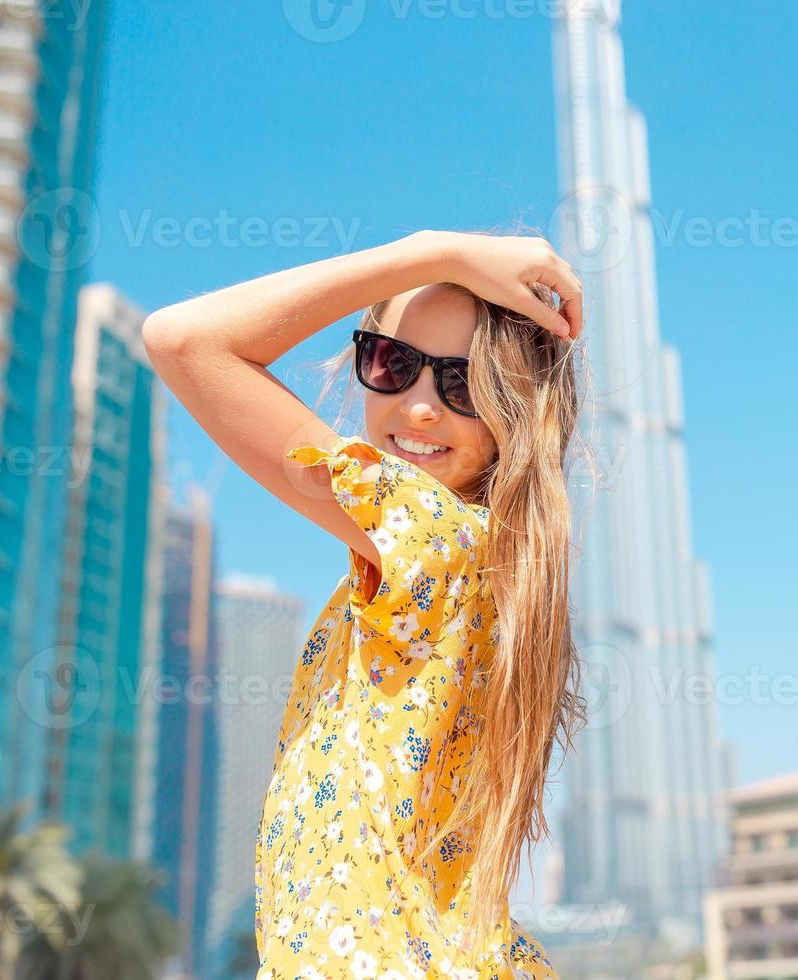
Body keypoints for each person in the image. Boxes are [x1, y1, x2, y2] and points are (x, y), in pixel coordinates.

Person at [143, 230, 588, 978]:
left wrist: (432, 249)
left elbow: (184, 340)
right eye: (393, 363)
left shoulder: (430, 537)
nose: (418, 407)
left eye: (465, 383)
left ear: (517, 412)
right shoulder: (491, 562)